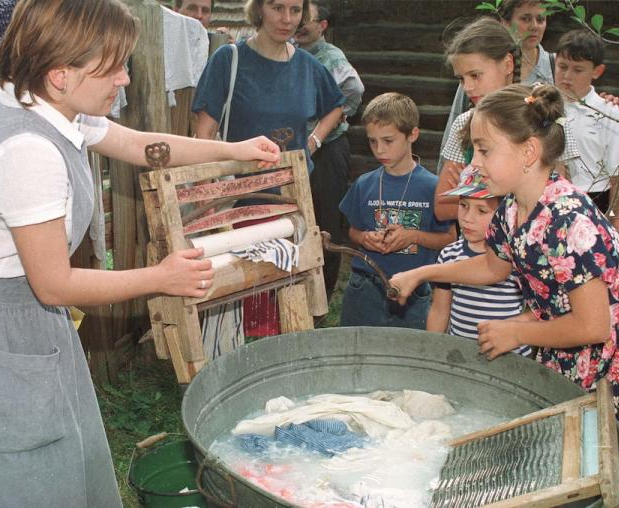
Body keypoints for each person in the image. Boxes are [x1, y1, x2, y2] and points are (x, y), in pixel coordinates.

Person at [0, 1, 280, 506]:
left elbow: (141, 145)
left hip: (14, 321)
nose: (124, 79)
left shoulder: (33, 102)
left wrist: (235, 149)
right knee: (7, 476)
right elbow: (54, 284)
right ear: (61, 74)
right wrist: (161, 276)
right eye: (113, 67)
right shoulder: (29, 154)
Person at [391, 83, 619, 507]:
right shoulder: (512, 208)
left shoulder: (568, 219)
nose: (475, 162)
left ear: (528, 153)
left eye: (485, 150)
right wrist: (423, 271)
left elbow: (593, 325)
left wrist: (517, 333)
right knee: (579, 464)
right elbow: (493, 266)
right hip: (584, 345)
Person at [192, 0, 345, 337]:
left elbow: (337, 106)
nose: (287, 19)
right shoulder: (229, 61)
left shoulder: (308, 67)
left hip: (293, 204)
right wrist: (209, 199)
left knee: (288, 305)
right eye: (278, 8)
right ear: (259, 9)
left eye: (295, 10)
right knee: (242, 303)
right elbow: (202, 136)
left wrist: (313, 143)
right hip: (239, 207)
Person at [434, 17, 579, 222]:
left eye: (475, 75)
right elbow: (441, 207)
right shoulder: (464, 122)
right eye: (461, 78)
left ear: (508, 64)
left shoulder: (542, 114)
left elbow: (558, 197)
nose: (467, 87)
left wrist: (473, 194)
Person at [339, 93, 455, 329]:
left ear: (412, 134)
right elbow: (353, 231)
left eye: (388, 140)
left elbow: (450, 239)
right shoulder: (364, 184)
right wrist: (365, 238)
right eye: (372, 141)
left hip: (413, 291)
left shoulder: (432, 187)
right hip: (365, 288)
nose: (379, 149)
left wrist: (413, 236)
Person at [294, 0, 364, 301]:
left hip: (327, 150)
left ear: (322, 25)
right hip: (296, 149)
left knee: (326, 221)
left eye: (306, 19)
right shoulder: (291, 53)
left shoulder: (330, 57)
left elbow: (354, 90)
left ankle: (321, 294)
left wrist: (335, 116)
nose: (299, 25)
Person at [437, 0, 553, 174]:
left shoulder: (557, 68)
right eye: (525, 19)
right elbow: (449, 180)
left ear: (508, 65)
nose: (534, 26)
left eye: (541, 19)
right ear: (505, 23)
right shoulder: (468, 106)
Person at [428, 166, 531, 357]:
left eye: (482, 210)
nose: (467, 218)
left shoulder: (517, 258)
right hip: (460, 354)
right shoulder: (449, 255)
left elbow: (536, 312)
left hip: (509, 355)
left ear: (505, 215)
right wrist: (431, 348)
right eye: (463, 206)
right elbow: (440, 310)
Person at [555, 29, 619, 235]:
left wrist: (616, 232)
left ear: (596, 71)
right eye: (562, 67)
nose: (567, 76)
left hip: (593, 202)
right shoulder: (540, 106)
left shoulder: (609, 113)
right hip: (546, 201)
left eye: (578, 70)